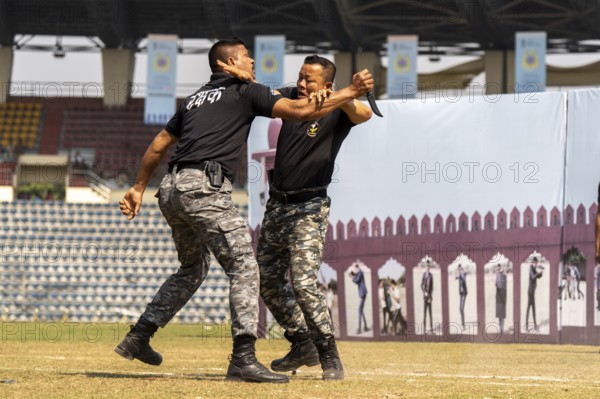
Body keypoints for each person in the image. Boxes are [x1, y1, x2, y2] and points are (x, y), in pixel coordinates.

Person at [114, 39, 374, 383]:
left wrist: (137, 186)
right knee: (248, 269)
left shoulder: (194, 98)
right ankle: (247, 357)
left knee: (200, 268)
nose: (254, 64)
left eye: (308, 79)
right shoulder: (252, 92)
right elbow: (298, 109)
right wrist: (349, 88)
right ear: (230, 63)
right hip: (227, 193)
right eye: (248, 59)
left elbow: (160, 143)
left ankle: (139, 336)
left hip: (180, 190)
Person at [221, 55, 372, 380]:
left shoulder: (339, 108)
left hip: (310, 207)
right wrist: (241, 78)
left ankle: (330, 355)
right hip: (276, 206)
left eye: (310, 81)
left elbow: (365, 112)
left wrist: (348, 94)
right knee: (268, 280)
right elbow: (262, 94)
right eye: (301, 77)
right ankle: (302, 342)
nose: (302, 84)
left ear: (327, 86)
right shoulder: (291, 96)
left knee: (303, 282)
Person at [350, 263, 370, 336]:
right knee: (361, 310)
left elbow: (357, 280)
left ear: (357, 267)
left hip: (363, 293)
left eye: (355, 268)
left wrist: (352, 277)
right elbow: (357, 277)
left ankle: (359, 328)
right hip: (362, 293)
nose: (354, 270)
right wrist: (354, 275)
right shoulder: (359, 272)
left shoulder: (360, 272)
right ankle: (365, 327)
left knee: (359, 310)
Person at [525, 256, 543, 331]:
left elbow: (538, 277)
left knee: (532, 309)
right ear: (533, 262)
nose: (536, 263)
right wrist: (538, 273)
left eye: (537, 262)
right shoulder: (531, 268)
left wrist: (541, 273)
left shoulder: (534, 268)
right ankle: (527, 326)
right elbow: (533, 277)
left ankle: (534, 326)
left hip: (532, 292)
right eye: (535, 262)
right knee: (529, 309)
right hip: (530, 292)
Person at [421, 260, 434, 333]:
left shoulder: (431, 275)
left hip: (429, 297)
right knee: (425, 313)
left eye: (429, 266)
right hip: (425, 297)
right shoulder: (423, 275)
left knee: (430, 313)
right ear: (425, 267)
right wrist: (424, 292)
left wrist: (430, 296)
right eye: (427, 266)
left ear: (430, 267)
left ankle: (431, 328)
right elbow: (421, 286)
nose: (428, 267)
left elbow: (432, 287)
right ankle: (424, 329)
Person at [495, 263, 507, 333]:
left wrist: (502, 272)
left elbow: (503, 283)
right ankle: (500, 328)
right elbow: (496, 284)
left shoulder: (503, 274)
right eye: (497, 268)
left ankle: (501, 328)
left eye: (499, 268)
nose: (498, 269)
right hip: (498, 296)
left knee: (502, 313)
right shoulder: (497, 274)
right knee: (499, 313)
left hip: (502, 295)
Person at [456, 264, 467, 330]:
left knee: (461, 308)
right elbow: (455, 277)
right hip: (461, 294)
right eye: (458, 269)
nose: (459, 270)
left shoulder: (464, 274)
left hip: (464, 294)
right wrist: (457, 273)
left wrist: (460, 273)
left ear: (462, 268)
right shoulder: (459, 274)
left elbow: (463, 279)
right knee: (460, 309)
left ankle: (463, 326)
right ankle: (462, 322)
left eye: (460, 269)